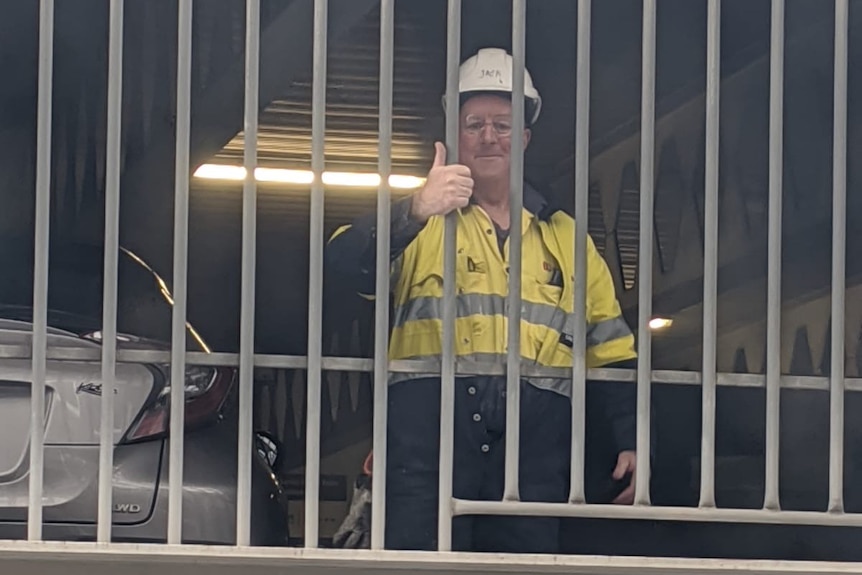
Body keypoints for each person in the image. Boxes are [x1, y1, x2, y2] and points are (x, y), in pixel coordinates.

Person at [325, 47, 641, 554]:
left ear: (525, 139)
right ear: (455, 135)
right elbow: (340, 266)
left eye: (502, 124)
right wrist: (414, 209)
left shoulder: (567, 238)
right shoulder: (423, 218)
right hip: (425, 447)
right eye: (474, 124)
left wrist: (631, 437)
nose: (488, 136)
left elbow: (612, 350)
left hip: (533, 454)